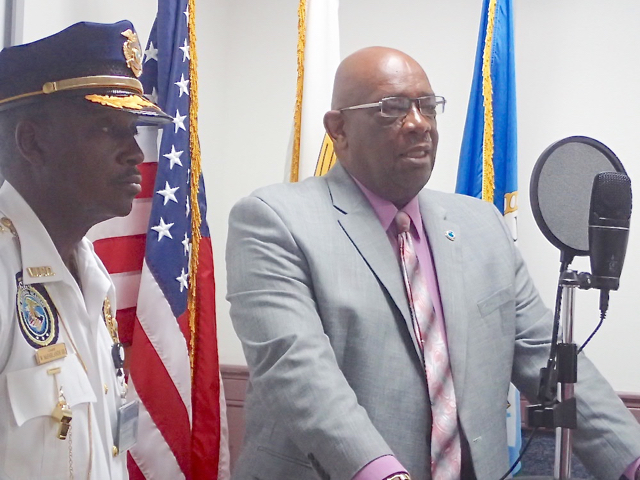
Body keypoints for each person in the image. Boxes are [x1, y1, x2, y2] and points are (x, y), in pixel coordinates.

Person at [226, 46, 640, 480]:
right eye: (393, 109)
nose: (419, 123)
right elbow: (298, 371)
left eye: (427, 106)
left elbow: (549, 357)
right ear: (339, 128)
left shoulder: (482, 226)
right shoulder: (274, 220)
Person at [0, 21, 170, 479]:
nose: (135, 152)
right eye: (106, 128)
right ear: (32, 142)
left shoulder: (89, 270)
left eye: (132, 129)